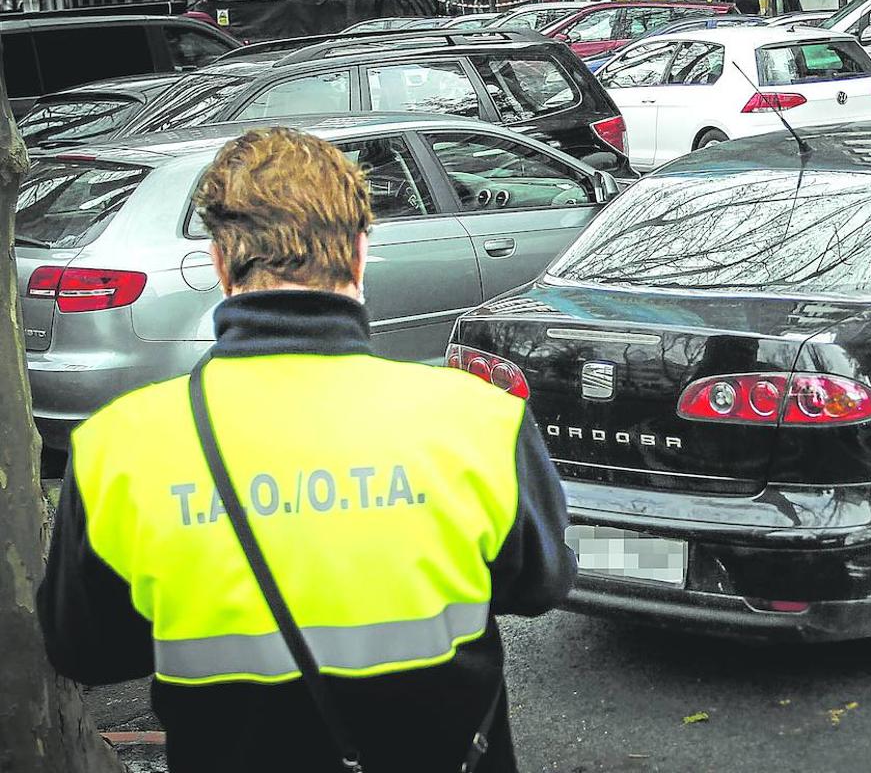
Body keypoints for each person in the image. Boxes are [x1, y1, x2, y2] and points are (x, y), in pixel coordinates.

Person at [37, 127, 576, 773]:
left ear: (218, 263)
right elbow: (540, 585)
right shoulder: (482, 423)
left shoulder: (114, 452)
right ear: (358, 252)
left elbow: (85, 651)